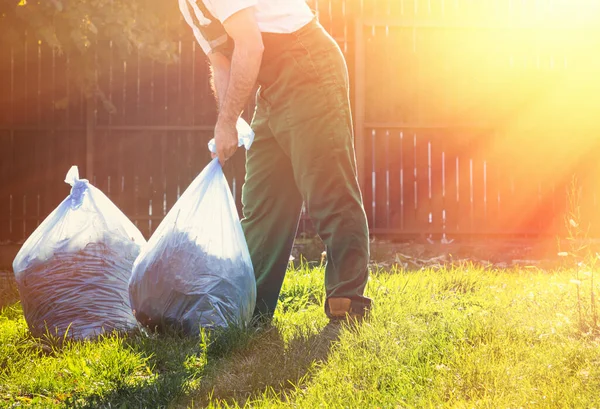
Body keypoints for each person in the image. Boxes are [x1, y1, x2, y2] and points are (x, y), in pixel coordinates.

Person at [179, 0, 372, 323]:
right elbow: (221, 61)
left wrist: (227, 123)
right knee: (262, 202)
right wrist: (228, 120)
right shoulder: (187, 6)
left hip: (307, 64)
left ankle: (347, 301)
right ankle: (252, 309)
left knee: (327, 186)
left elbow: (251, 45)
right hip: (272, 86)